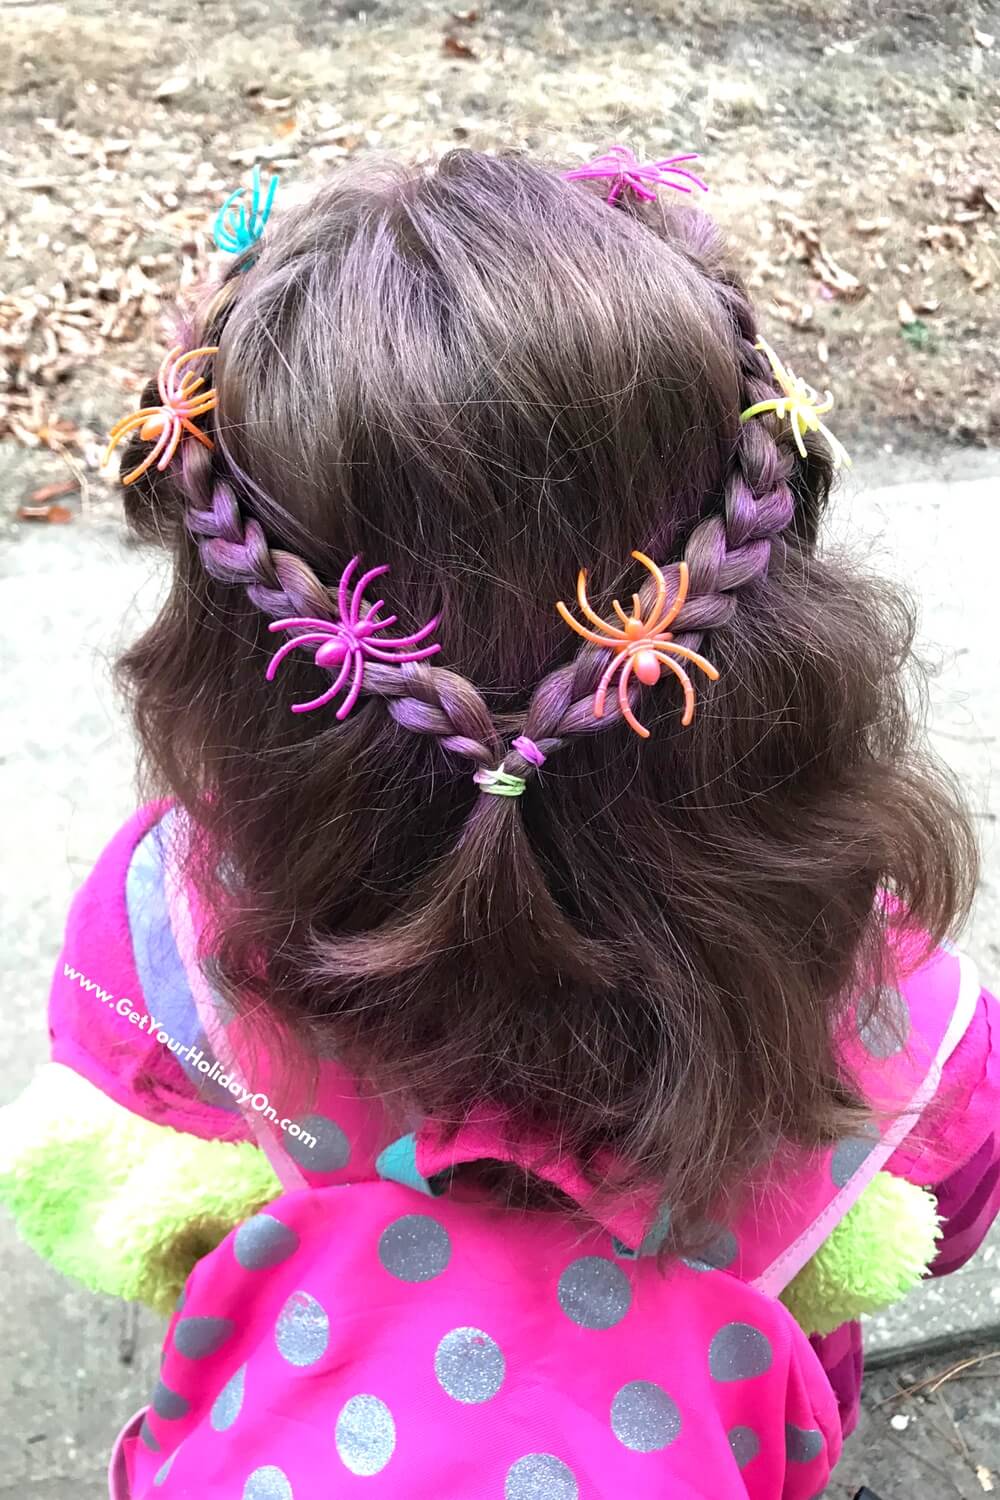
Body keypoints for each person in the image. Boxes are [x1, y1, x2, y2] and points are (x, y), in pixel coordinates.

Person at [6, 148, 1000, 1499]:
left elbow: (114, 1206)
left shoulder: (159, 928)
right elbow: (934, 1218)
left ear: (233, 662)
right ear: (772, 623)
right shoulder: (889, 1000)